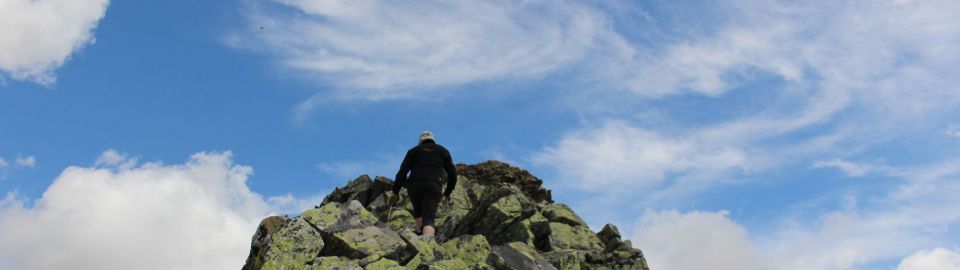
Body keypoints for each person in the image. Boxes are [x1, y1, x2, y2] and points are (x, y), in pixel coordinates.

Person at [389, 130, 457, 237]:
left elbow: (402, 172)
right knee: (429, 218)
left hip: (414, 186)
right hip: (434, 185)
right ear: (433, 140)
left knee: (419, 213)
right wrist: (448, 192)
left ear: (420, 141)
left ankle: (420, 238)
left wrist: (395, 192)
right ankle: (427, 248)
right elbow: (453, 175)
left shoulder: (413, 151)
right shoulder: (443, 151)